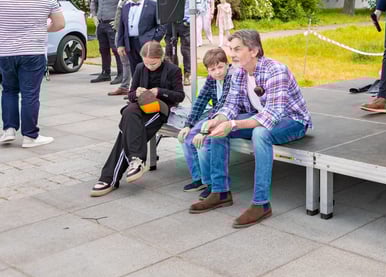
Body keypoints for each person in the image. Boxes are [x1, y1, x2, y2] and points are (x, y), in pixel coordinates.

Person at [188, 29, 312, 228]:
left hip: (292, 120)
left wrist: (234, 124)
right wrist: (217, 119)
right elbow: (231, 105)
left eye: (237, 49)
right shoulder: (238, 73)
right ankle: (220, 192)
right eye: (231, 49)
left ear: (253, 51)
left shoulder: (276, 70)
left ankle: (261, 204)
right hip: (260, 116)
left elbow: (272, 115)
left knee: (260, 133)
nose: (232, 54)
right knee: (221, 126)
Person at [90, 41, 184, 196]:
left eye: (153, 64)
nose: (149, 67)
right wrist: (138, 93)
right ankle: (136, 161)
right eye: (147, 63)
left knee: (127, 132)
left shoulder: (173, 70)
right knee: (128, 114)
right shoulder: (140, 68)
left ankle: (109, 178)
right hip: (140, 107)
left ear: (161, 58)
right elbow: (131, 94)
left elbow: (179, 96)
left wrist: (159, 92)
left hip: (161, 109)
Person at [0, 0, 65, 148]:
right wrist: (42, 29)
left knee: (9, 90)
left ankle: (9, 130)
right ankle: (30, 136)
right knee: (30, 94)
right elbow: (60, 24)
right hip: (33, 51)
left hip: (5, 52)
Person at [177, 47, 233, 193]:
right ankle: (199, 178)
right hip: (214, 115)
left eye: (220, 67)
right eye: (212, 69)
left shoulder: (233, 77)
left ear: (227, 64)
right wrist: (188, 125)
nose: (217, 72)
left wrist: (204, 130)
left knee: (203, 142)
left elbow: (224, 105)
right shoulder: (211, 79)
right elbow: (201, 101)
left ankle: (211, 183)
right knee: (187, 137)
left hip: (229, 117)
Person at [117, 0, 165, 75]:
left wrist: (154, 40)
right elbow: (122, 26)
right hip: (130, 43)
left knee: (148, 68)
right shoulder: (126, 6)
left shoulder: (153, 6)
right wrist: (120, 44)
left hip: (146, 42)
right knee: (134, 70)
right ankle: (136, 87)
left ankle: (149, 88)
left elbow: (162, 25)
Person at [89, 0, 123, 84]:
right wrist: (93, 15)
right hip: (101, 23)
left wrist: (119, 20)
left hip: (112, 23)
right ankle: (105, 73)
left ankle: (121, 73)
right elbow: (93, 1)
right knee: (103, 49)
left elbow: (123, 2)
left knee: (116, 49)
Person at [164, 0, 192, 85]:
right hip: (171, 22)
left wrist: (188, 20)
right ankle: (174, 74)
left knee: (185, 50)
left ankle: (187, 74)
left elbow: (197, 6)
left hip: (184, 22)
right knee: (170, 49)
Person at [108, 0, 134, 96]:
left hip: (124, 34)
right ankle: (125, 86)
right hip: (120, 32)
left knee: (128, 61)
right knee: (125, 61)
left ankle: (129, 87)